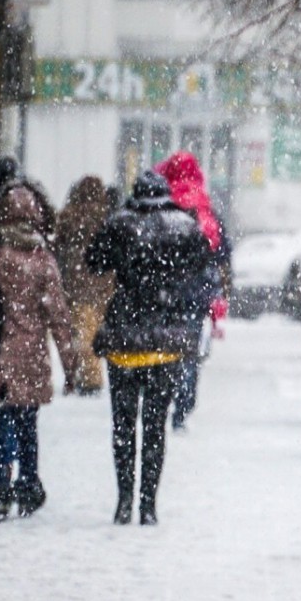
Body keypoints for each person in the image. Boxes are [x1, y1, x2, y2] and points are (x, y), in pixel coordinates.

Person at [86, 170, 211, 525]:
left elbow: (93, 261)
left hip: (125, 336)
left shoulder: (119, 224)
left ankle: (123, 501)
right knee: (155, 427)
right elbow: (202, 263)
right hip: (165, 340)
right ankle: (148, 506)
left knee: (123, 426)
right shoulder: (184, 226)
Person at [0, 180, 77, 522]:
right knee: (26, 425)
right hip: (28, 356)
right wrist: (71, 363)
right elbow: (59, 317)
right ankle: (27, 483)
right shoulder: (43, 260)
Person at [152, 152, 231, 431]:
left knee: (164, 344)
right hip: (197, 291)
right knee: (190, 350)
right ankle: (183, 404)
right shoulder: (204, 206)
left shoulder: (161, 203)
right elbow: (222, 252)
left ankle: (162, 396)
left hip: (166, 289)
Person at [55, 176, 116, 395]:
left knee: (81, 334)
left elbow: (57, 246)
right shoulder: (108, 217)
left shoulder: (69, 217)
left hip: (76, 285)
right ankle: (89, 375)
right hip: (104, 285)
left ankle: (88, 377)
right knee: (94, 333)